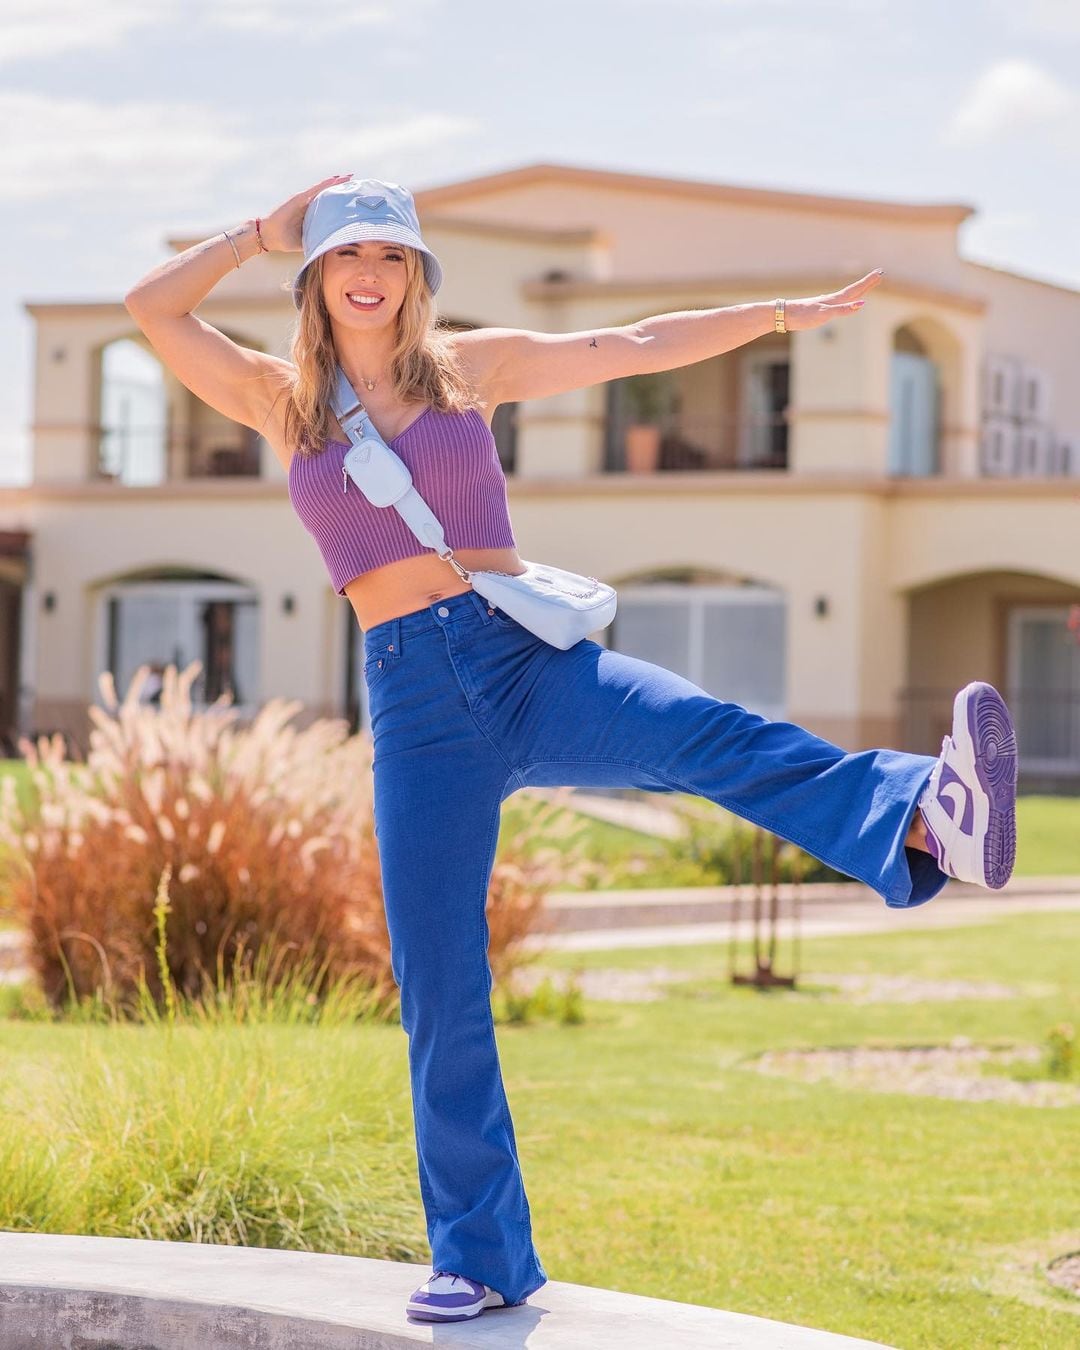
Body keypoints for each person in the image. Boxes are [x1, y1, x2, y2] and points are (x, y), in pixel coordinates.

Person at [123, 173, 1018, 1324]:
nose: (368, 275)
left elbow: (634, 340)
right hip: (413, 701)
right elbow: (153, 307)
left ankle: (924, 815)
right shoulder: (280, 401)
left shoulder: (467, 371)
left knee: (705, 733)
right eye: (347, 257)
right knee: (439, 982)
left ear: (415, 277)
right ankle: (481, 1256)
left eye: (391, 258)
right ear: (314, 278)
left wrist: (783, 318)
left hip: (521, 658)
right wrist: (257, 229)